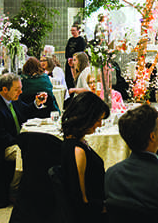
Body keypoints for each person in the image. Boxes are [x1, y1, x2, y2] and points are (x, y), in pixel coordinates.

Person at [0, 73, 48, 166]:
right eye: (17, 89)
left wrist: (36, 103)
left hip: (10, 139)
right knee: (31, 153)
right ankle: (18, 180)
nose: (20, 92)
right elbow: (1, 138)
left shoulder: (11, 97)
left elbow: (24, 110)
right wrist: (26, 141)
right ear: (5, 89)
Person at [61, 91, 110, 223]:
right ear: (86, 118)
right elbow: (82, 200)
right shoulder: (78, 151)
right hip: (93, 214)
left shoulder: (74, 142)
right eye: (98, 120)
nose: (100, 124)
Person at [65, 24, 87, 89]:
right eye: (71, 30)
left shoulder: (81, 40)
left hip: (76, 61)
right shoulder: (70, 40)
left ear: (78, 31)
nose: (72, 32)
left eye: (74, 30)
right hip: (69, 61)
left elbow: (81, 51)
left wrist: (74, 59)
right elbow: (67, 50)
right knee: (68, 78)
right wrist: (68, 58)